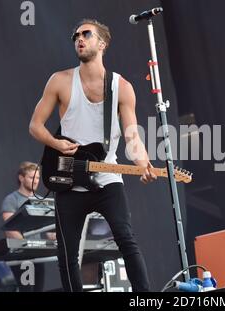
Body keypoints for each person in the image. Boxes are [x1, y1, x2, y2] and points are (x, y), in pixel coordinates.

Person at [29, 19, 156, 292]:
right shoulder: (60, 81)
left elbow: (131, 134)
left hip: (108, 175)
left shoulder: (121, 87)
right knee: (67, 256)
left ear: (102, 43)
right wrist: (56, 143)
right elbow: (35, 126)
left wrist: (142, 161)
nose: (79, 38)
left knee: (126, 239)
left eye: (86, 34)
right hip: (69, 179)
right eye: (75, 35)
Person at [1, 161, 54, 291]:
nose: (35, 181)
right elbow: (10, 229)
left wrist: (60, 238)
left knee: (37, 289)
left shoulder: (42, 200)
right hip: (22, 256)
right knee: (27, 289)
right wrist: (28, 247)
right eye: (31, 177)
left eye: (37, 178)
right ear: (21, 178)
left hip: (38, 254)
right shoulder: (12, 199)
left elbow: (49, 232)